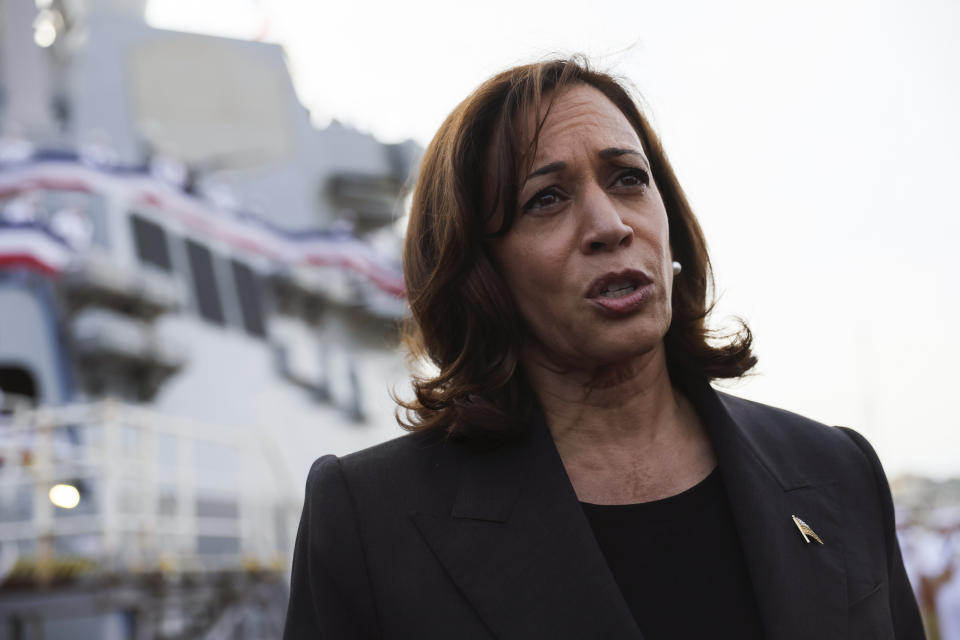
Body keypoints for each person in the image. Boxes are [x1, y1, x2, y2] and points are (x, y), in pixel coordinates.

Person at [283, 57, 925, 639]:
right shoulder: (368, 520)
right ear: (480, 273)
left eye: (627, 179)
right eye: (547, 198)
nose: (610, 226)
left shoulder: (839, 471)